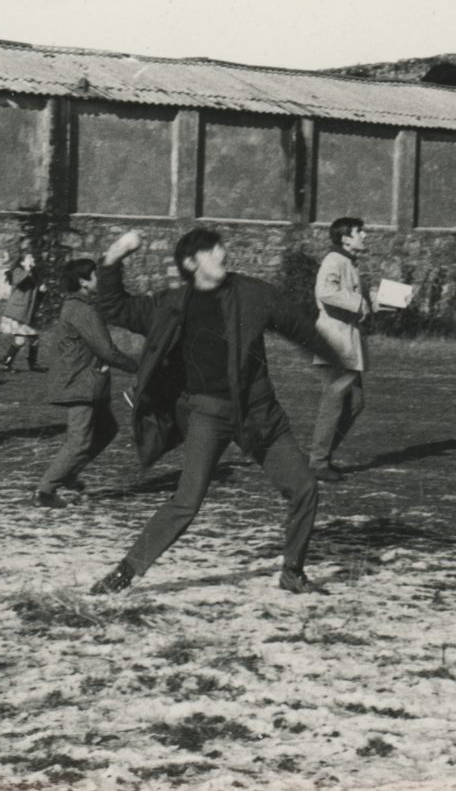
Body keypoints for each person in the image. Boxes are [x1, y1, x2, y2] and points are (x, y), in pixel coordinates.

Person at [88, 227, 343, 596]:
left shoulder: (252, 293)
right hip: (208, 415)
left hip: (259, 413)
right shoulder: (171, 305)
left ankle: (292, 572)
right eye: (212, 250)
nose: (223, 253)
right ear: (191, 263)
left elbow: (298, 324)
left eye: (222, 246)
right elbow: (114, 307)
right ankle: (124, 573)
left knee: (304, 487)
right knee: (186, 502)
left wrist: (335, 363)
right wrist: (113, 258)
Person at [33, 258, 138, 509]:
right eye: (96, 275)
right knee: (79, 440)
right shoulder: (82, 310)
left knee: (106, 429)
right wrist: (138, 367)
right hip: (80, 383)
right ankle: (45, 490)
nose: (100, 280)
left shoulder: (78, 305)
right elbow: (106, 350)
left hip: (87, 381)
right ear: (83, 281)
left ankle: (68, 473)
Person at [308, 216, 371, 482]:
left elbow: (353, 300)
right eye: (359, 232)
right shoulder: (334, 260)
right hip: (335, 342)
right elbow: (325, 291)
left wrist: (377, 303)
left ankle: (320, 458)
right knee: (334, 402)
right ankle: (318, 462)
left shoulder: (347, 262)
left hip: (345, 342)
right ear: (345, 238)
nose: (364, 235)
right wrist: (359, 303)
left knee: (355, 402)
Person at [0, 252, 44, 372]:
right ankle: (7, 364)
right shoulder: (18, 271)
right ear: (23, 262)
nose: (33, 258)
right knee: (21, 340)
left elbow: (34, 296)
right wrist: (28, 269)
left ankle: (31, 364)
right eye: (30, 257)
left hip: (26, 313)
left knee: (34, 338)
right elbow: (17, 281)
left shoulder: (33, 274)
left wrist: (41, 292)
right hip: (17, 312)